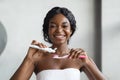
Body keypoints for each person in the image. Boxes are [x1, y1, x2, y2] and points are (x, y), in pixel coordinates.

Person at [10, 7, 105, 80]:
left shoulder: (80, 57)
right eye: (53, 26)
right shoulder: (38, 57)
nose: (59, 30)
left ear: (71, 30)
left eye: (64, 26)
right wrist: (29, 59)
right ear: (47, 30)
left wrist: (87, 62)